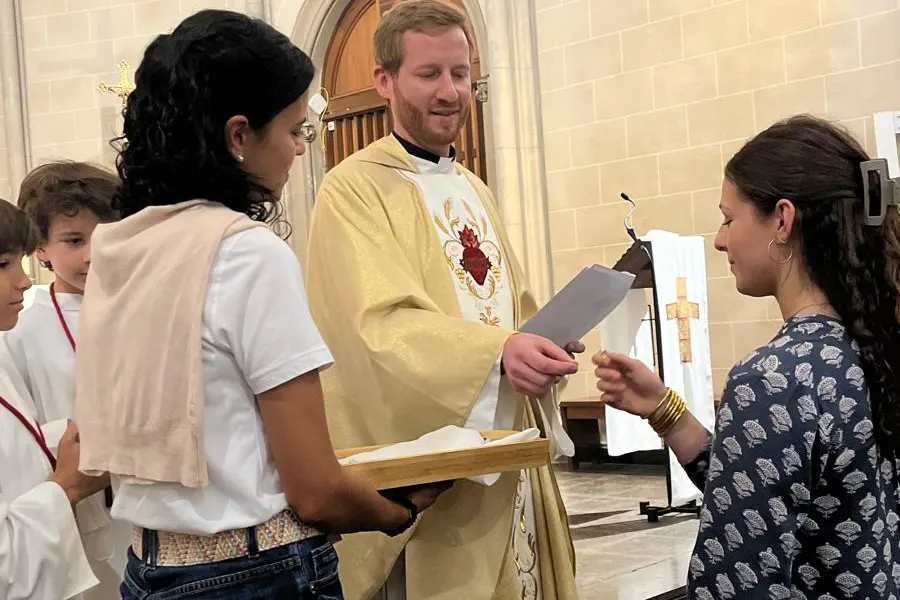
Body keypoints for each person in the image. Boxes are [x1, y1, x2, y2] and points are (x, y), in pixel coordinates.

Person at [72, 10, 447, 600]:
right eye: (296, 130)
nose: (300, 149)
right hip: (258, 574)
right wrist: (395, 512)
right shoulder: (245, 254)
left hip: (150, 569)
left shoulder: (120, 245)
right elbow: (316, 491)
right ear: (239, 135)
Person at [305, 2, 580, 599]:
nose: (451, 91)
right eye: (429, 74)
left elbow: (512, 310)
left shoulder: (473, 187)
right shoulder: (352, 188)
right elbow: (374, 326)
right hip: (435, 478)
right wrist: (500, 353)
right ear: (385, 81)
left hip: (509, 458)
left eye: (460, 73)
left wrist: (544, 343)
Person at [593, 114, 900, 598]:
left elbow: (733, 579)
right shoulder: (873, 345)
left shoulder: (778, 376)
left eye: (728, 217)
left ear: (782, 219)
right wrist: (665, 412)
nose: (719, 239)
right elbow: (785, 499)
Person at [4, 161, 127, 600]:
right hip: (72, 518)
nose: (93, 254)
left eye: (106, 236)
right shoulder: (19, 327)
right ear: (40, 249)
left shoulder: (144, 306)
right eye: (74, 241)